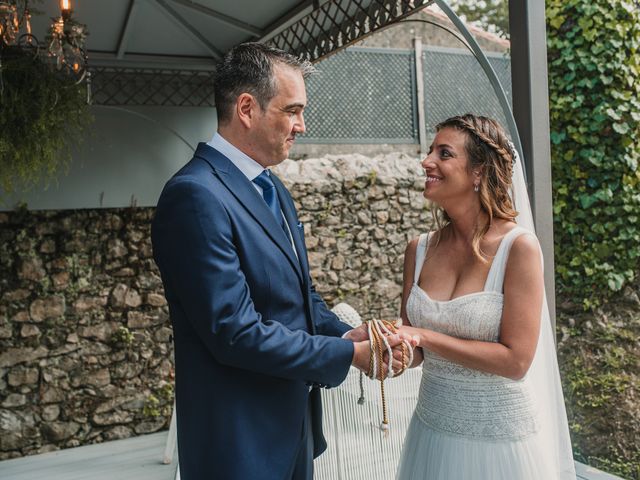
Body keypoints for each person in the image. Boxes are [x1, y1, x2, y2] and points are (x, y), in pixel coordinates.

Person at [151, 42, 407, 480]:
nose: (301, 126)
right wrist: (349, 355)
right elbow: (234, 331)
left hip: (293, 425)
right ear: (247, 108)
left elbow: (298, 295)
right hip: (238, 439)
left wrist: (346, 331)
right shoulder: (195, 196)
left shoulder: (272, 188)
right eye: (292, 111)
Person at [395, 114, 576, 479]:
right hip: (431, 433)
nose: (427, 161)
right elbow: (415, 351)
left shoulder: (518, 248)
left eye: (443, 153)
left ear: (478, 172)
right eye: (430, 150)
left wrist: (423, 336)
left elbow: (516, 361)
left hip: (498, 445)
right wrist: (387, 346)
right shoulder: (419, 249)